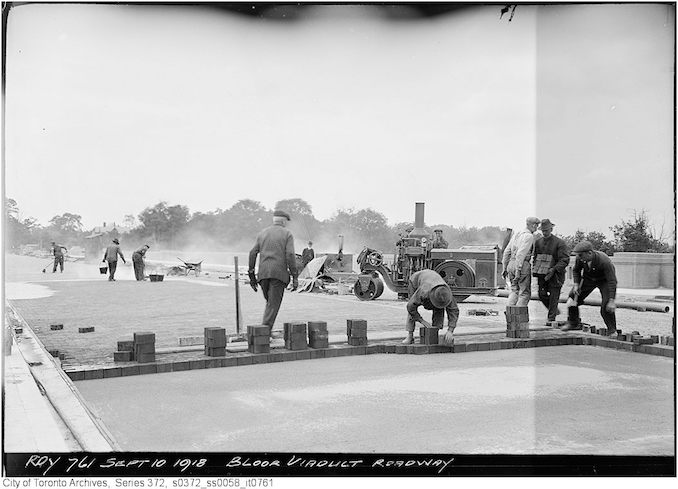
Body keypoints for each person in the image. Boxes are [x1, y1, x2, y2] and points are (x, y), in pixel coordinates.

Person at [248, 210, 299, 334]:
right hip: (278, 275)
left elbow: (252, 253)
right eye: (286, 221)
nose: (286, 224)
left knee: (270, 303)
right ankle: (263, 334)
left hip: (263, 274)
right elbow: (290, 254)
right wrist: (295, 276)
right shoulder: (287, 234)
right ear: (283, 221)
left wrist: (251, 275)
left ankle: (265, 332)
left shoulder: (262, 233)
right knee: (273, 305)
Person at [563, 240, 618, 335]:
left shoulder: (604, 261)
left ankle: (612, 330)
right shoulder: (579, 258)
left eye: (581, 255)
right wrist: (576, 284)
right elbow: (576, 270)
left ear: (589, 253)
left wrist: (612, 300)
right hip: (589, 279)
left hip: (604, 281)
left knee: (606, 306)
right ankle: (573, 323)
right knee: (572, 298)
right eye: (578, 255)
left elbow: (612, 281)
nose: (579, 258)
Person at [402, 269, 459, 346]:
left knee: (439, 308)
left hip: (433, 280)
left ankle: (434, 334)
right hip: (416, 281)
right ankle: (410, 335)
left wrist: (450, 330)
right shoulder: (424, 291)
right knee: (412, 310)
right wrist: (421, 321)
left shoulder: (446, 293)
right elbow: (410, 307)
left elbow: (454, 310)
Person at [532, 219, 570, 323]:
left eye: (546, 230)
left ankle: (551, 317)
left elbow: (565, 260)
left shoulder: (560, 243)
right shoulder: (538, 242)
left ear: (551, 229)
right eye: (543, 231)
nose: (544, 233)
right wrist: (536, 267)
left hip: (556, 275)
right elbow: (535, 257)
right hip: (542, 275)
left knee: (554, 296)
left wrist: (554, 269)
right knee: (541, 294)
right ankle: (554, 311)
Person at [502, 217, 540, 306]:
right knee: (524, 293)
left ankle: (510, 313)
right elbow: (520, 254)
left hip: (511, 264)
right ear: (533, 225)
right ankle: (519, 317)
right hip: (522, 264)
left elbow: (507, 252)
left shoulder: (517, 234)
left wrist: (504, 268)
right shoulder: (529, 236)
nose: (537, 228)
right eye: (537, 226)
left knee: (514, 290)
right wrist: (518, 270)